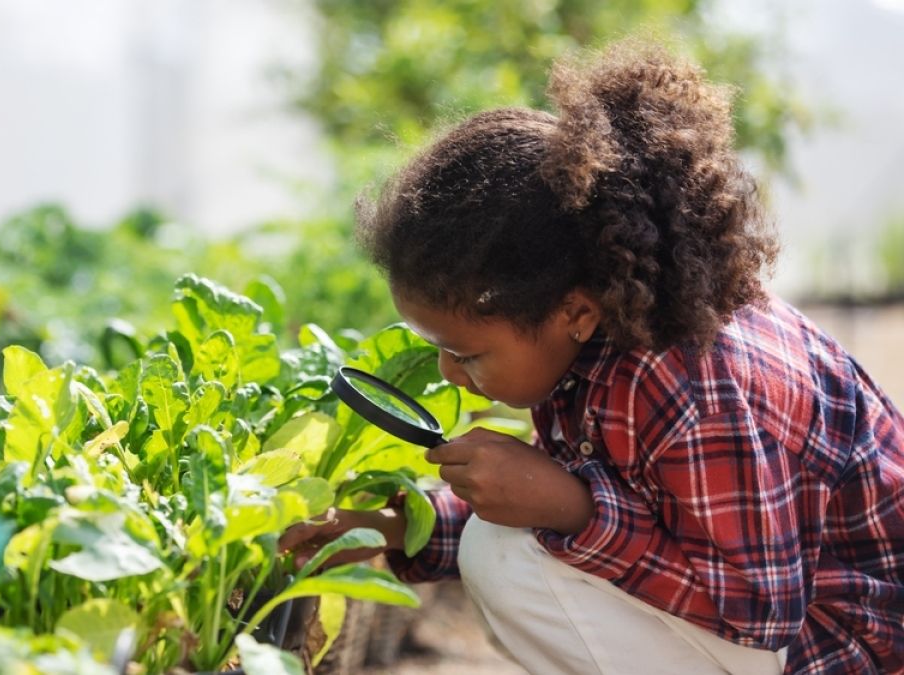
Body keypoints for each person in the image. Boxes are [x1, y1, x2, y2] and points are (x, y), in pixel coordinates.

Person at [279, 41, 904, 674]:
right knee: (503, 542)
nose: (448, 373)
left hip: (845, 644)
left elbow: (758, 610)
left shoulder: (689, 384)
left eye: (465, 353)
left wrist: (572, 507)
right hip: (790, 622)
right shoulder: (596, 338)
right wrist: (390, 525)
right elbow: (634, 508)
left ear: (573, 312)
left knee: (504, 562)